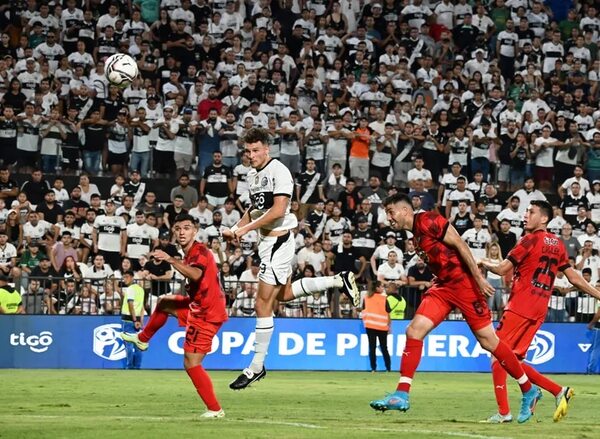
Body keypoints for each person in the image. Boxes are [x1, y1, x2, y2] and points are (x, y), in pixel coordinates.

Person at [370, 193, 540, 424]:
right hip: (443, 288)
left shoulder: (429, 220)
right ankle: (402, 393)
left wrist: (478, 279)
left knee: (489, 342)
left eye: (391, 212)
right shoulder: (415, 235)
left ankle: (528, 389)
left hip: (465, 285)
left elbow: (460, 243)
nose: (388, 217)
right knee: (414, 330)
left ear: (405, 210)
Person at [222, 127, 360, 390]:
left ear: (267, 149)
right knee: (283, 294)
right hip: (266, 243)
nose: (251, 155)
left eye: (255, 150)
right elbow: (256, 209)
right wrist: (236, 228)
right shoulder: (253, 175)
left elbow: (278, 210)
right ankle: (338, 280)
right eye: (247, 151)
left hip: (279, 242)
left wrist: (243, 230)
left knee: (262, 304)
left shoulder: (279, 171)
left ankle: (255, 367)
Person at [479, 200, 600, 423]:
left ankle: (505, 412)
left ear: (543, 218)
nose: (526, 215)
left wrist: (479, 260)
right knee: (513, 360)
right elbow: (573, 278)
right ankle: (557, 391)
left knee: (498, 356)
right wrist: (598, 294)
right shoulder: (557, 244)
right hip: (539, 309)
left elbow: (502, 268)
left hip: (520, 306)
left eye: (531, 212)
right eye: (525, 211)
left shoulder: (529, 240)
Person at [121, 214, 228, 418]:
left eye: (187, 228)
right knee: (164, 303)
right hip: (198, 306)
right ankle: (142, 339)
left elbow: (196, 274)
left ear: (195, 231)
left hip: (207, 313)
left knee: (191, 363)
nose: (181, 232)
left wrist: (170, 260)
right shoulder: (188, 253)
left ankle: (215, 409)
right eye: (178, 228)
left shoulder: (201, 251)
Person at [362, 281, 391, 373]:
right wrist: (389, 326)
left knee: (372, 347)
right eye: (382, 287)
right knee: (384, 348)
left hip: (370, 326)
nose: (383, 288)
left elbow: (363, 311)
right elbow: (388, 313)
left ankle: (373, 368)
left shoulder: (366, 298)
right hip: (382, 327)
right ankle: (388, 368)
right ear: (377, 288)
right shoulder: (384, 298)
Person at [120, 271, 145, 370]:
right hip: (138, 319)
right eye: (123, 277)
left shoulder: (130, 289)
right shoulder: (141, 290)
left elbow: (131, 305)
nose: (124, 279)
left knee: (129, 344)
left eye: (126, 277)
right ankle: (137, 366)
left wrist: (134, 320)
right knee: (138, 344)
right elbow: (142, 307)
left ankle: (129, 366)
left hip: (129, 320)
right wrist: (141, 321)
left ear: (131, 277)